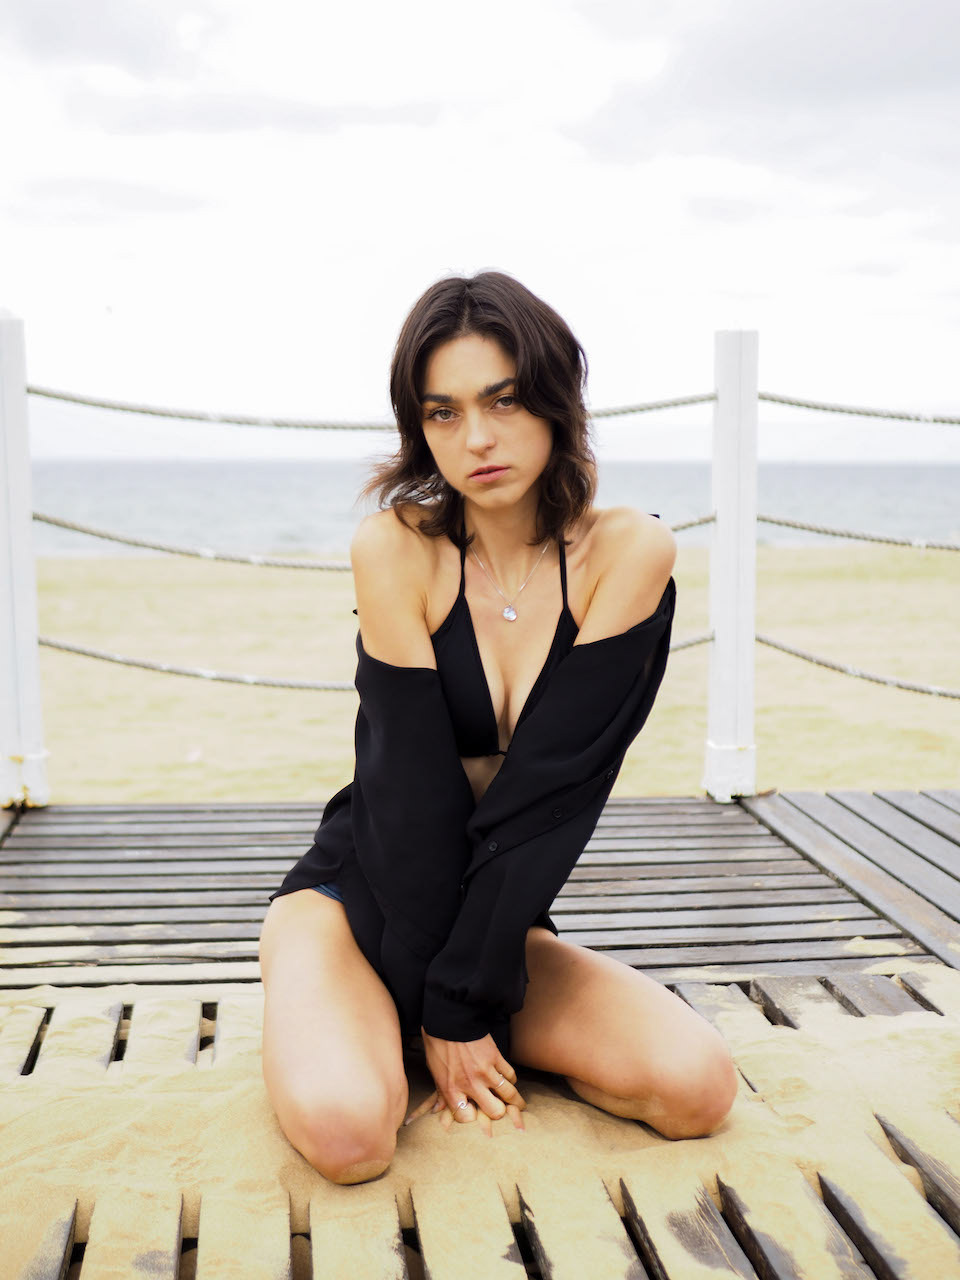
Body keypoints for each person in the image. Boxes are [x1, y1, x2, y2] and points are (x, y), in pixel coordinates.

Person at [258, 271, 738, 1185]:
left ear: (556, 398)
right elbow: (407, 793)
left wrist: (462, 999)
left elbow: (558, 796)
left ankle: (408, 1031)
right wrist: (452, 1009)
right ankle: (343, 1015)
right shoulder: (396, 548)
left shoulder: (627, 553)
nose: (475, 438)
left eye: (503, 400)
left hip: (493, 913)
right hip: (360, 899)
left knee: (698, 1090)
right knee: (351, 1141)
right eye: (442, 413)